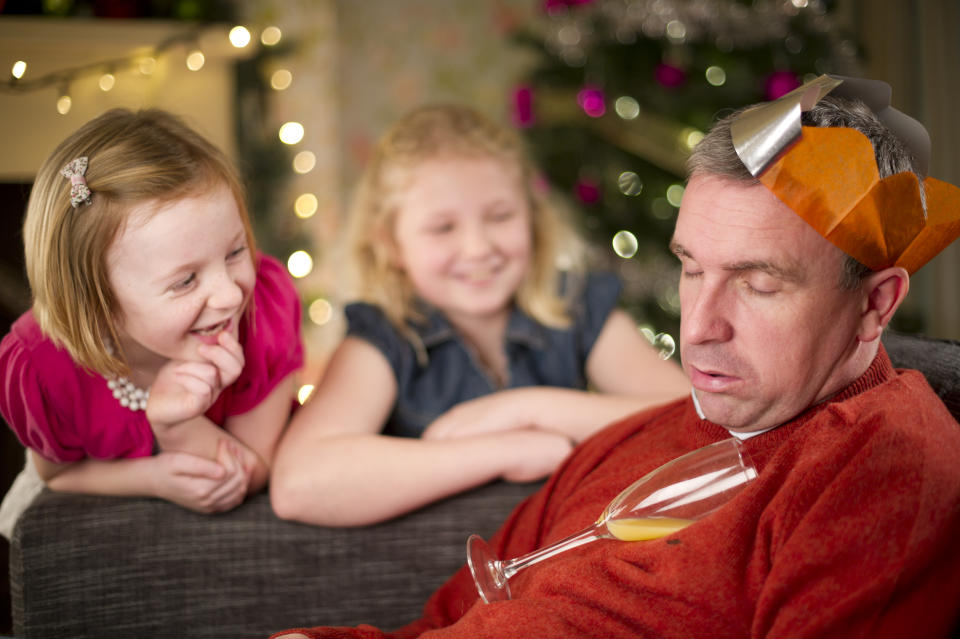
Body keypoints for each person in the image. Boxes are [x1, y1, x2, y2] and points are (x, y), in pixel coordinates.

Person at [273, 77, 960, 638]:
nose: (698, 329)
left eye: (758, 282)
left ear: (875, 305)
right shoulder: (639, 434)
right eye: (692, 269)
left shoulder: (883, 463)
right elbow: (446, 620)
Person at [270, 104, 690, 526]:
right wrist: (508, 450)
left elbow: (694, 418)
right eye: (443, 228)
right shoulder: (385, 337)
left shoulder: (574, 305)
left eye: (500, 216)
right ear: (392, 244)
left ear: (532, 218)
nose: (478, 248)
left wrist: (528, 410)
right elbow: (299, 484)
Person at [0, 108, 303, 538]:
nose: (230, 294)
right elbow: (57, 475)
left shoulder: (259, 313)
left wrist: (177, 425)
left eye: (235, 252)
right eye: (185, 280)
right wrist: (153, 478)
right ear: (97, 303)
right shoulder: (43, 366)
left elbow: (250, 476)